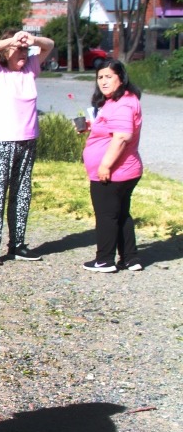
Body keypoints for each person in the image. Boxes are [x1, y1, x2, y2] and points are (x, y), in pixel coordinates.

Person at [0, 29, 55, 265]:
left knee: (22, 193)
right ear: (5, 52)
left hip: (27, 139)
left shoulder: (30, 68)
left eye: (25, 50)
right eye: (18, 50)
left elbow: (49, 45)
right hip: (1, 140)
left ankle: (17, 243)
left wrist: (32, 40)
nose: (23, 53)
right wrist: (11, 40)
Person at [80, 60, 143, 273]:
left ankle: (105, 260)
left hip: (115, 172)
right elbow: (113, 127)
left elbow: (123, 136)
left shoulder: (124, 102)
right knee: (121, 214)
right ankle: (130, 258)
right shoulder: (115, 101)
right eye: (100, 77)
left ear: (120, 78)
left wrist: (105, 165)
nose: (104, 81)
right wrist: (92, 126)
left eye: (109, 76)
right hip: (125, 170)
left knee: (107, 216)